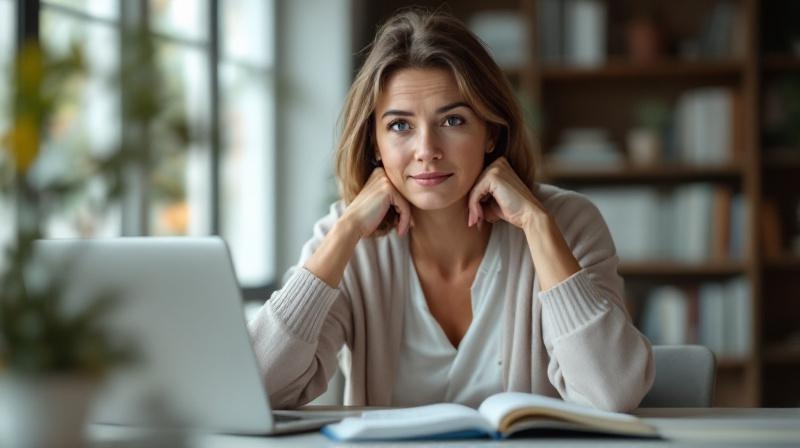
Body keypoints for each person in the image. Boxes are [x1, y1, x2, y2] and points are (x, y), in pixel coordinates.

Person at [248, 9, 654, 412]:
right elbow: (258, 388)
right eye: (400, 126)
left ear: (491, 131)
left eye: (453, 120)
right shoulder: (348, 239)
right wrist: (347, 226)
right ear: (374, 142)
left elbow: (612, 392)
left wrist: (536, 224)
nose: (427, 150)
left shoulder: (568, 223)